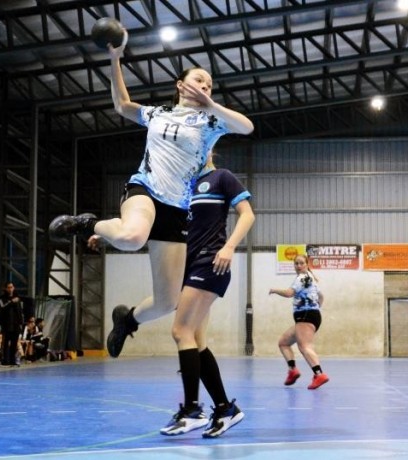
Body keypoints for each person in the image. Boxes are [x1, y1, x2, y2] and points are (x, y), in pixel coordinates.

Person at [48, 28, 254, 358]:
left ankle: (127, 320)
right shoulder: (157, 114)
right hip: (145, 189)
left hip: (176, 209)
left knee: (168, 302)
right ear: (180, 84)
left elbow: (247, 126)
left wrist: (212, 104)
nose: (204, 86)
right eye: (199, 80)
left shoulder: (211, 121)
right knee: (131, 236)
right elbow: (122, 104)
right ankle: (87, 223)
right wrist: (115, 59)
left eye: (209, 84)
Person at [160, 158, 254, 438]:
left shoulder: (221, 177)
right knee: (197, 342)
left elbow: (247, 213)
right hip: (188, 269)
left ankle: (191, 410)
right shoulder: (180, 187)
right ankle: (225, 409)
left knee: (180, 330)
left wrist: (229, 246)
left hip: (211, 263)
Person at [268, 254, 329, 390]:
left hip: (305, 315)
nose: (299, 266)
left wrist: (274, 290)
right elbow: (321, 296)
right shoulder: (310, 277)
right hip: (310, 315)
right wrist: (317, 308)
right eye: (296, 263)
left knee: (304, 346)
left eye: (302, 263)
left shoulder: (301, 278)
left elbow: (289, 293)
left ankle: (319, 374)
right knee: (284, 343)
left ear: (307, 264)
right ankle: (292, 370)